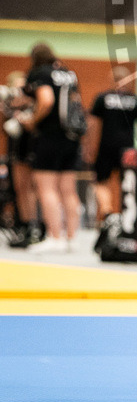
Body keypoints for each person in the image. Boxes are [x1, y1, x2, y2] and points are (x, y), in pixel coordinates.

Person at [18, 43, 84, 254]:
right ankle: (71, 238)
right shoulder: (68, 74)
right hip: (71, 138)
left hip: (50, 136)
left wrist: (33, 120)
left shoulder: (40, 73)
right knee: (68, 190)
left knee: (47, 188)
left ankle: (55, 237)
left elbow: (46, 101)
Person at [86, 66, 137, 231]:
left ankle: (107, 212)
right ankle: (122, 218)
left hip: (106, 147)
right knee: (126, 184)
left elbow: (93, 124)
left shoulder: (102, 98)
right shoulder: (135, 100)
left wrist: (89, 147)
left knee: (101, 182)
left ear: (112, 80)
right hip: (127, 149)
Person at [2, 71, 41, 249]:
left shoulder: (34, 104)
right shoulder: (9, 106)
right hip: (14, 149)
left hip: (30, 148)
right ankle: (24, 225)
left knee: (31, 189)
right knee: (19, 189)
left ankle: (35, 226)